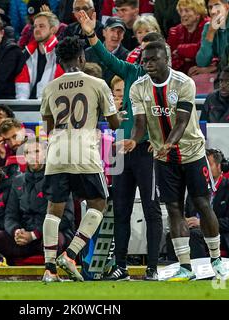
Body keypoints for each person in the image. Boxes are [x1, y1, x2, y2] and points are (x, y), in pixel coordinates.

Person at [125, 41, 229, 281]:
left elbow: (182, 121)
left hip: (191, 152)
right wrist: (133, 140)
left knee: (203, 204)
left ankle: (216, 260)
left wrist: (168, 144)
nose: (148, 64)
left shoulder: (184, 83)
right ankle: (185, 266)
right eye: (145, 60)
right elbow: (140, 124)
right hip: (164, 157)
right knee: (173, 209)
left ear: (167, 60)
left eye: (153, 59)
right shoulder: (137, 88)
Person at [77, 9, 163, 281]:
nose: (146, 56)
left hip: (148, 150)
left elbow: (172, 114)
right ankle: (122, 267)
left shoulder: (167, 80)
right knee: (121, 208)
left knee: (151, 209)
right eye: (143, 49)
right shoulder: (130, 71)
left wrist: (160, 142)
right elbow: (104, 57)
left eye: (151, 51)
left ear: (162, 55)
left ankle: (152, 267)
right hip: (122, 150)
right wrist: (91, 33)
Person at [39, 36, 123, 282]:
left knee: (54, 209)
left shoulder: (50, 87)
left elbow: (48, 125)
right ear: (83, 58)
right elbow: (114, 122)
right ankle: (71, 254)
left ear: (60, 61)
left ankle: (49, 269)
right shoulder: (97, 83)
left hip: (56, 151)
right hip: (84, 150)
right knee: (98, 203)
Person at [0, 139, 75, 264]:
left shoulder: (59, 179)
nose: (32, 156)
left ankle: (52, 270)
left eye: (37, 151)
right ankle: (2, 264)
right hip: (23, 236)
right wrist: (16, 231)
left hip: (49, 234)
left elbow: (66, 218)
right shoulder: (18, 181)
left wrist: (34, 234)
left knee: (53, 239)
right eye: (28, 152)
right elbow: (10, 215)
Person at [166, 148, 229, 260]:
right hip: (195, 231)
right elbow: (187, 212)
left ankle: (201, 273)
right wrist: (184, 221)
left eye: (209, 165)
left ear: (220, 167)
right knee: (174, 235)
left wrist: (200, 223)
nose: (204, 169)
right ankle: (177, 268)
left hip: (223, 234)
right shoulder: (195, 188)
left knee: (194, 235)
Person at [15, 11, 64, 100]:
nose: (37, 30)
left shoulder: (62, 53)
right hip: (29, 107)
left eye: (41, 26)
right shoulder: (27, 53)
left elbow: (60, 87)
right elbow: (21, 87)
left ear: (53, 29)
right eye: (35, 26)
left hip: (52, 105)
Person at [167, 0, 210, 75]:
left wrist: (180, 49)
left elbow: (202, 50)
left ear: (198, 13)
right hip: (181, 74)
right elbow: (170, 58)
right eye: (181, 11)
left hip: (204, 72)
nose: (183, 14)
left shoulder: (209, 26)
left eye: (187, 11)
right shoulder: (174, 31)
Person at [196, 0, 229, 71]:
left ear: (226, 7)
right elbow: (201, 63)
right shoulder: (208, 27)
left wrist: (216, 68)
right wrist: (210, 33)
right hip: (222, 70)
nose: (213, 11)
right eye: (210, 7)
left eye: (217, 6)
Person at [85, 17, 129, 86]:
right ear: (104, 32)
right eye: (112, 30)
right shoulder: (89, 53)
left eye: (120, 31)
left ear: (123, 35)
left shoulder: (127, 57)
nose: (116, 35)